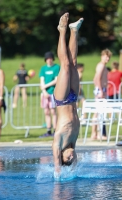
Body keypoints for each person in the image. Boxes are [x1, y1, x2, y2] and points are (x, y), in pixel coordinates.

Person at [52, 13, 83, 176]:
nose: (71, 156)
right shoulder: (73, 143)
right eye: (72, 158)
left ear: (61, 156)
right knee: (73, 64)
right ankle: (74, 30)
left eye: (68, 158)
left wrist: (58, 173)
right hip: (73, 97)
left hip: (62, 100)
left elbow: (57, 166)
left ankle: (62, 30)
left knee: (64, 66)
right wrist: (73, 168)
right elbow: (74, 164)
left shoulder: (59, 142)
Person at [91, 49, 112, 140]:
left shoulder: (102, 66)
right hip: (100, 90)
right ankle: (97, 133)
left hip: (101, 89)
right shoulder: (101, 66)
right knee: (99, 112)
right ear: (102, 56)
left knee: (98, 112)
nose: (108, 58)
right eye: (106, 56)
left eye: (109, 57)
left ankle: (95, 133)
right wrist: (101, 90)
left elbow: (94, 79)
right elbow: (98, 78)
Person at [39, 52, 60, 137]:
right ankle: (48, 129)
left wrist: (45, 86)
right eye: (47, 59)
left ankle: (55, 129)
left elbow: (56, 80)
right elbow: (42, 80)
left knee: (53, 111)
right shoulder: (43, 69)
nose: (49, 60)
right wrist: (44, 91)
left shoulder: (57, 67)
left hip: (53, 91)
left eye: (50, 58)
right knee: (46, 112)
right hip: (45, 92)